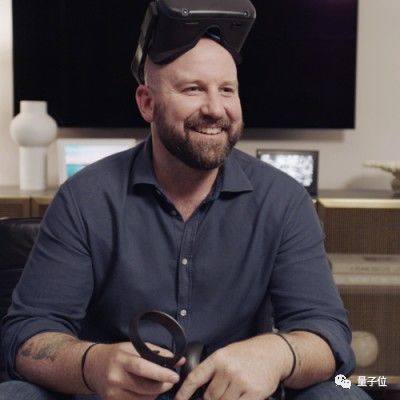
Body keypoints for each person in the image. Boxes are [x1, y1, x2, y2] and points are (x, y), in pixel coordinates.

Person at [1, 3, 371, 400]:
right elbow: (26, 335)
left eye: (227, 90)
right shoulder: (84, 198)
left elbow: (329, 336)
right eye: (193, 89)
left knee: (343, 394)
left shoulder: (284, 202)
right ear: (147, 103)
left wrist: (278, 354)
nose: (215, 109)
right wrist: (91, 364)